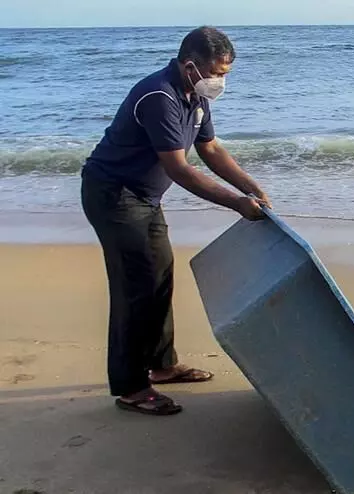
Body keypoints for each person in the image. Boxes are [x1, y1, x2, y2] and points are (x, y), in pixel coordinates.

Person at [80, 26, 271, 416]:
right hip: (114, 196)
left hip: (146, 198)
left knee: (161, 274)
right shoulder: (160, 96)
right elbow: (181, 170)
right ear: (190, 66)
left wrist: (251, 186)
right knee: (136, 287)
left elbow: (211, 149)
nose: (220, 81)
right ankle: (131, 386)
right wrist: (237, 203)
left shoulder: (194, 96)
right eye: (216, 72)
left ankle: (163, 365)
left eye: (226, 73)